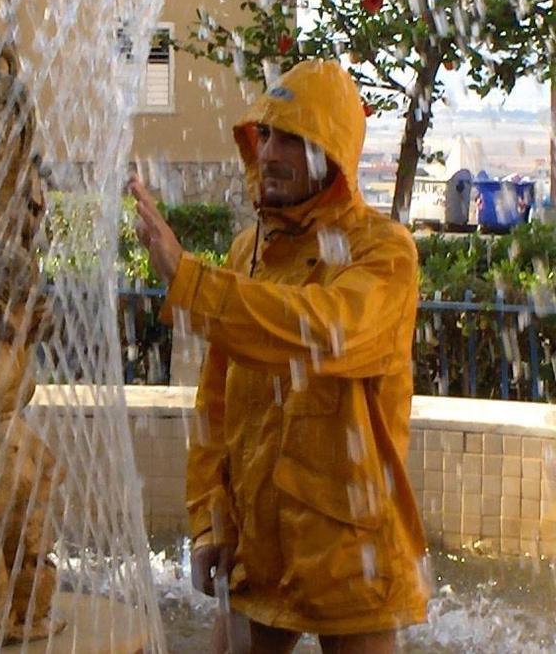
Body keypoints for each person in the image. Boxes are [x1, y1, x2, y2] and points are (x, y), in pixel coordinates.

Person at [130, 60, 429, 653]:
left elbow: (321, 332)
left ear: (332, 152)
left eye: (291, 136)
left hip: (352, 552)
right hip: (259, 546)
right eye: (264, 134)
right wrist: (209, 518)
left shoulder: (384, 254)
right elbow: (215, 401)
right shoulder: (250, 251)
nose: (269, 152)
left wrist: (189, 279)